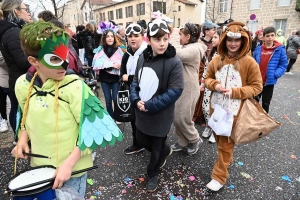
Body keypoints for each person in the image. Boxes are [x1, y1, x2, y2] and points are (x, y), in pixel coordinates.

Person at [11, 21, 122, 197]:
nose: (64, 65)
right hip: (41, 170)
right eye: (54, 58)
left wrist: (69, 165)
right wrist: (23, 139)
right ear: (34, 60)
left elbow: (91, 132)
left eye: (65, 56)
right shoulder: (23, 86)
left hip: (72, 172)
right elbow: (25, 117)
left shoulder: (76, 88)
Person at [205, 21, 263, 191]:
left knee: (225, 144)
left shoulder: (250, 63)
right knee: (219, 139)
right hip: (216, 109)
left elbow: (257, 86)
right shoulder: (216, 59)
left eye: (237, 40)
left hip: (235, 113)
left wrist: (236, 92)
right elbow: (207, 78)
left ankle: (219, 177)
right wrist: (214, 84)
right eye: (229, 39)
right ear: (224, 39)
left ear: (243, 41)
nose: (232, 43)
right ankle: (226, 159)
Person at [130, 18, 184, 192]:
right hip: (141, 112)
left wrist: (151, 105)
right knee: (142, 140)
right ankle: (164, 151)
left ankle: (153, 173)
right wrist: (135, 98)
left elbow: (175, 90)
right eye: (157, 39)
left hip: (160, 114)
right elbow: (135, 82)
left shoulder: (174, 62)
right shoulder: (142, 58)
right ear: (149, 40)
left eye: (165, 39)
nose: (162, 44)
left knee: (155, 147)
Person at [169, 22, 206, 155]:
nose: (179, 37)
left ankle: (195, 139)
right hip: (182, 87)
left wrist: (173, 33)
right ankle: (182, 141)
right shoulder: (190, 46)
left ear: (188, 36)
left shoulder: (194, 49)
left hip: (189, 89)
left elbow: (177, 53)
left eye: (181, 35)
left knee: (182, 117)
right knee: (176, 116)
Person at [0, 0, 32, 139]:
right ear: (17, 11)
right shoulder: (13, 32)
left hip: (17, 78)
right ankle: (19, 139)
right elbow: (23, 61)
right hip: (20, 79)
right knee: (20, 111)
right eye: (26, 9)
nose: (28, 12)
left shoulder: (13, 30)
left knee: (17, 109)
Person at [120, 23, 148, 154]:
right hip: (133, 93)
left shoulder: (148, 53)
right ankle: (138, 143)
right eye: (130, 36)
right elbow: (122, 74)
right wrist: (127, 78)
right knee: (134, 120)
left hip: (147, 93)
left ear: (142, 37)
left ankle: (153, 145)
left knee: (148, 119)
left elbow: (147, 76)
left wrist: (129, 78)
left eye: (136, 36)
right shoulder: (127, 54)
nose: (133, 39)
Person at [92, 21, 123, 123]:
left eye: (112, 36)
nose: (110, 38)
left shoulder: (118, 50)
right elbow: (96, 63)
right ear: (104, 38)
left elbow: (122, 62)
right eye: (108, 36)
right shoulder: (100, 51)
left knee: (115, 99)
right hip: (104, 79)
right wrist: (111, 64)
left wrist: (117, 64)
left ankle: (117, 116)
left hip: (114, 79)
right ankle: (111, 117)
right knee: (108, 100)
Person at [253, 26, 288, 113]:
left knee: (266, 102)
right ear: (263, 37)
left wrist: (276, 74)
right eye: (267, 36)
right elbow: (252, 63)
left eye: (272, 35)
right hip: (257, 81)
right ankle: (254, 117)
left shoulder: (280, 49)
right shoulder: (258, 49)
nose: (270, 38)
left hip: (269, 82)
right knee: (254, 101)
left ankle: (265, 120)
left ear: (275, 36)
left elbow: (283, 64)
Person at [193, 20, 219, 124]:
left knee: (209, 96)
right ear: (207, 31)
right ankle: (198, 114)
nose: (214, 32)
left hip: (210, 72)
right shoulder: (200, 42)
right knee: (200, 94)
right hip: (201, 69)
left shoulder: (215, 45)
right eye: (213, 30)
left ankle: (207, 118)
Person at [201, 29, 223, 144]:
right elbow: (206, 68)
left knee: (217, 109)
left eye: (215, 37)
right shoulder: (212, 53)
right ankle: (209, 125)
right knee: (205, 108)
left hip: (220, 88)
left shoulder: (225, 55)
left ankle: (215, 130)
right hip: (209, 85)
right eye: (212, 37)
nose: (212, 39)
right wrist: (202, 83)